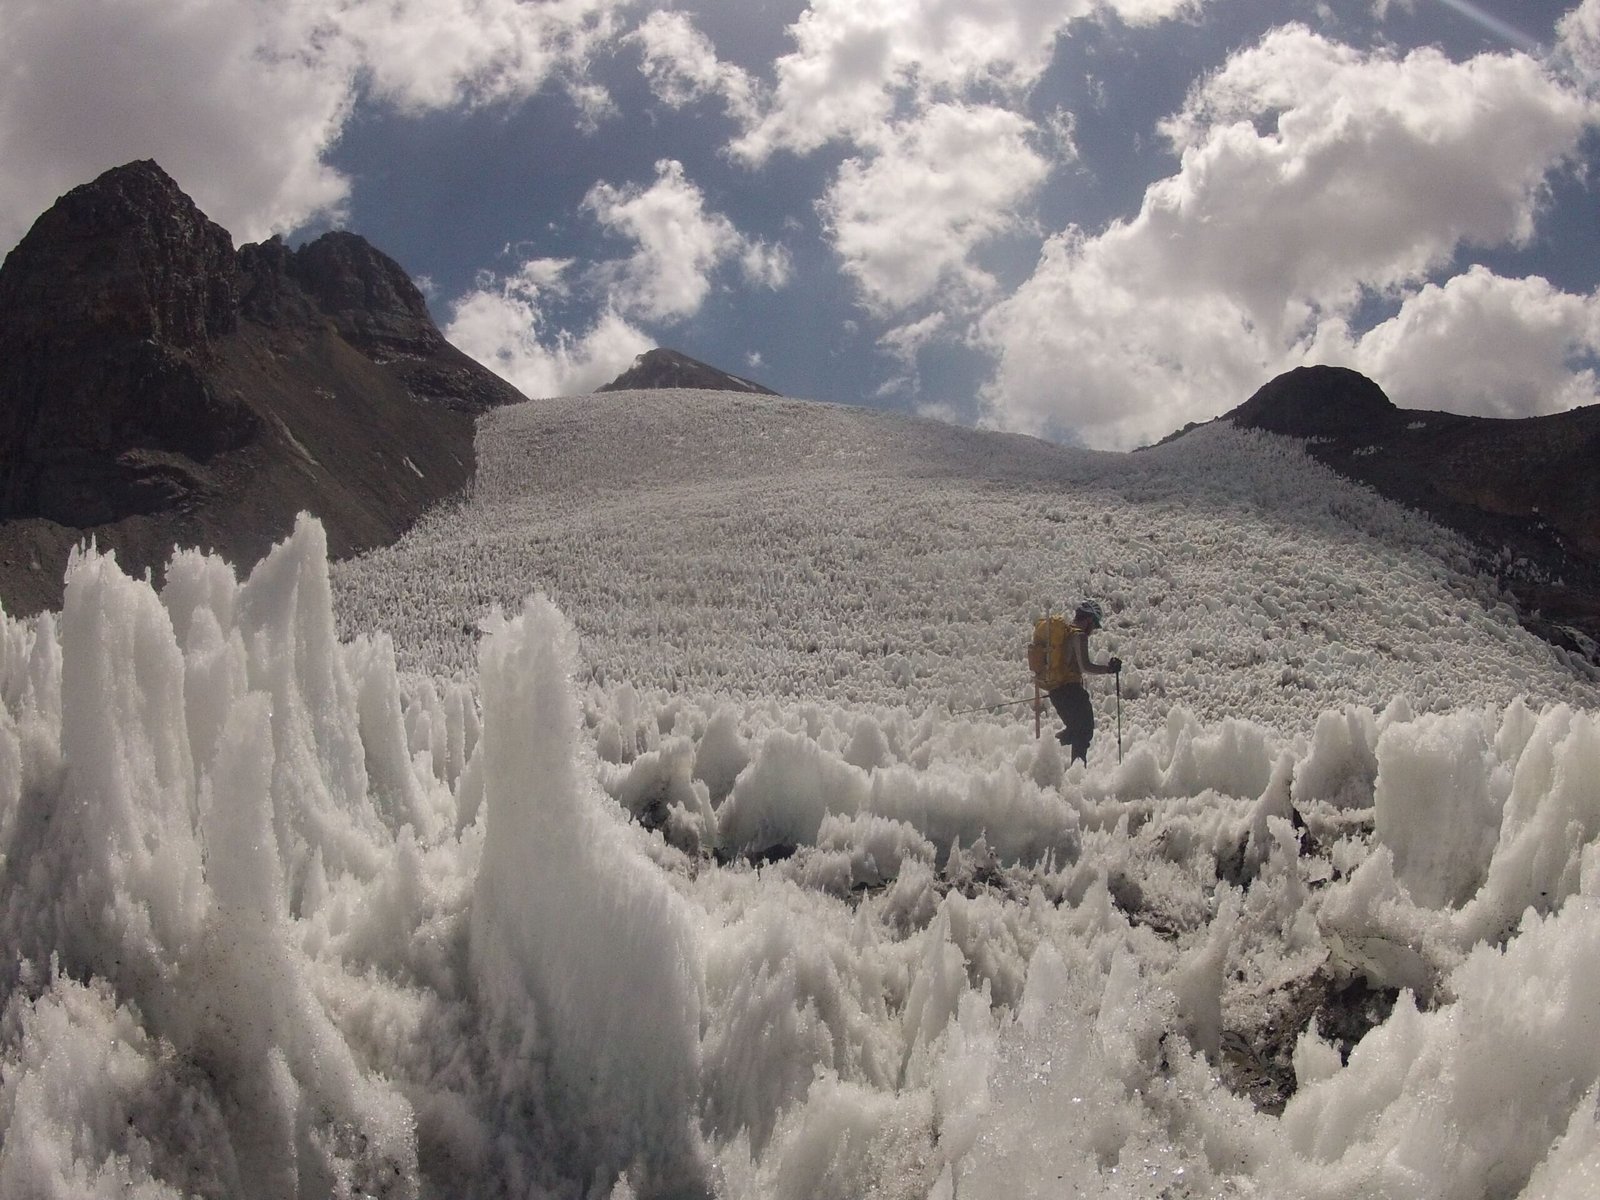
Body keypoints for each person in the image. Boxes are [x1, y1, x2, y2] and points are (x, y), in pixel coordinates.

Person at [1046, 599, 1122, 764]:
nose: (1093, 630)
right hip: (1071, 692)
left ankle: (1045, 751)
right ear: (1089, 620)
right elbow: (1085, 667)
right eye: (1094, 625)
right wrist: (1108, 669)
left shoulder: (1065, 632)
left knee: (1075, 731)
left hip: (1056, 691)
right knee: (1084, 732)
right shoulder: (1078, 635)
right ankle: (1077, 772)